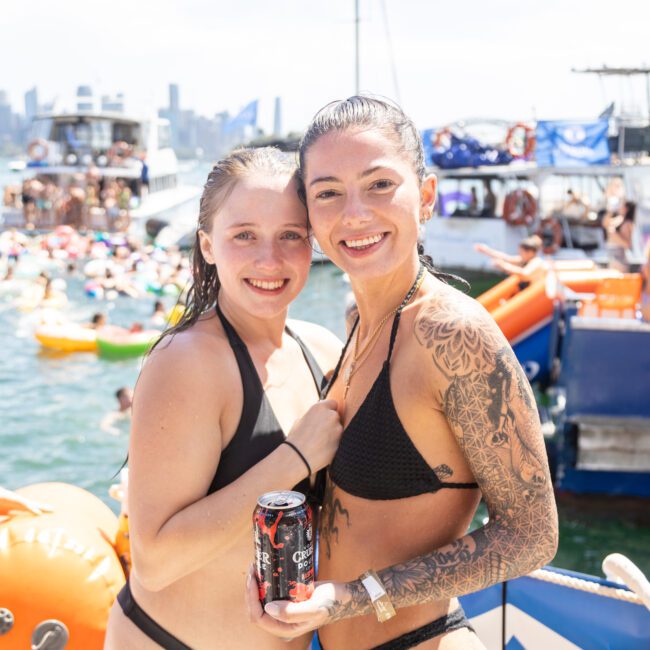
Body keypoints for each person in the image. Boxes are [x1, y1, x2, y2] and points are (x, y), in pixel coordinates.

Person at [249, 97, 557, 649]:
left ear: (428, 196)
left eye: (379, 185)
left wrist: (355, 596)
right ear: (311, 218)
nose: (355, 214)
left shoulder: (451, 335)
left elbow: (532, 536)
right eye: (328, 194)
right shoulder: (362, 325)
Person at [104, 147, 344, 650]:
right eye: (244, 236)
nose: (269, 260)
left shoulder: (319, 349)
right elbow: (155, 562)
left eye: (290, 236)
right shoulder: (188, 361)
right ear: (208, 245)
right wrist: (296, 458)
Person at [474, 236, 545, 290]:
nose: (520, 254)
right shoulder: (525, 259)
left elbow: (525, 273)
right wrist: (486, 250)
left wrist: (504, 265)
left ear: (530, 252)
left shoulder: (537, 261)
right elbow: (506, 258)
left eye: (521, 252)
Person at [603, 200, 636, 272]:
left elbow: (627, 244)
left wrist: (613, 234)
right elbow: (605, 224)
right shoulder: (620, 219)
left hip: (619, 259)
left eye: (622, 206)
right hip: (613, 257)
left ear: (626, 209)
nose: (619, 207)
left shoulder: (627, 224)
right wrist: (610, 211)